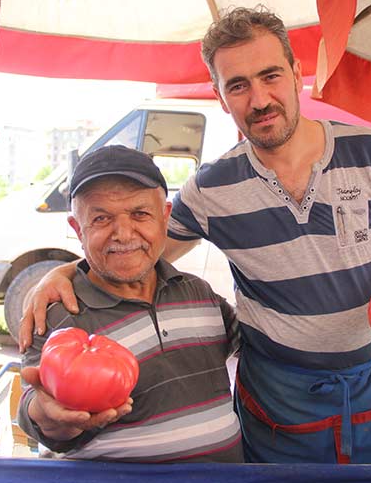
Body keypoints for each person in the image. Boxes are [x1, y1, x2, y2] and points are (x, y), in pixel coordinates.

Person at [21, 7, 371, 464]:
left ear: (296, 73)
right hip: (279, 402)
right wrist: (66, 272)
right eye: (238, 85)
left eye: (270, 76)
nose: (259, 100)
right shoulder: (210, 188)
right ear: (219, 94)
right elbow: (134, 246)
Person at [17, 145, 243, 463]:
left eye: (140, 214)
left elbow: (257, 343)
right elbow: (37, 410)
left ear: (165, 216)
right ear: (76, 229)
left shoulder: (198, 292)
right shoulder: (56, 316)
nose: (123, 234)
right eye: (101, 218)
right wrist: (50, 419)